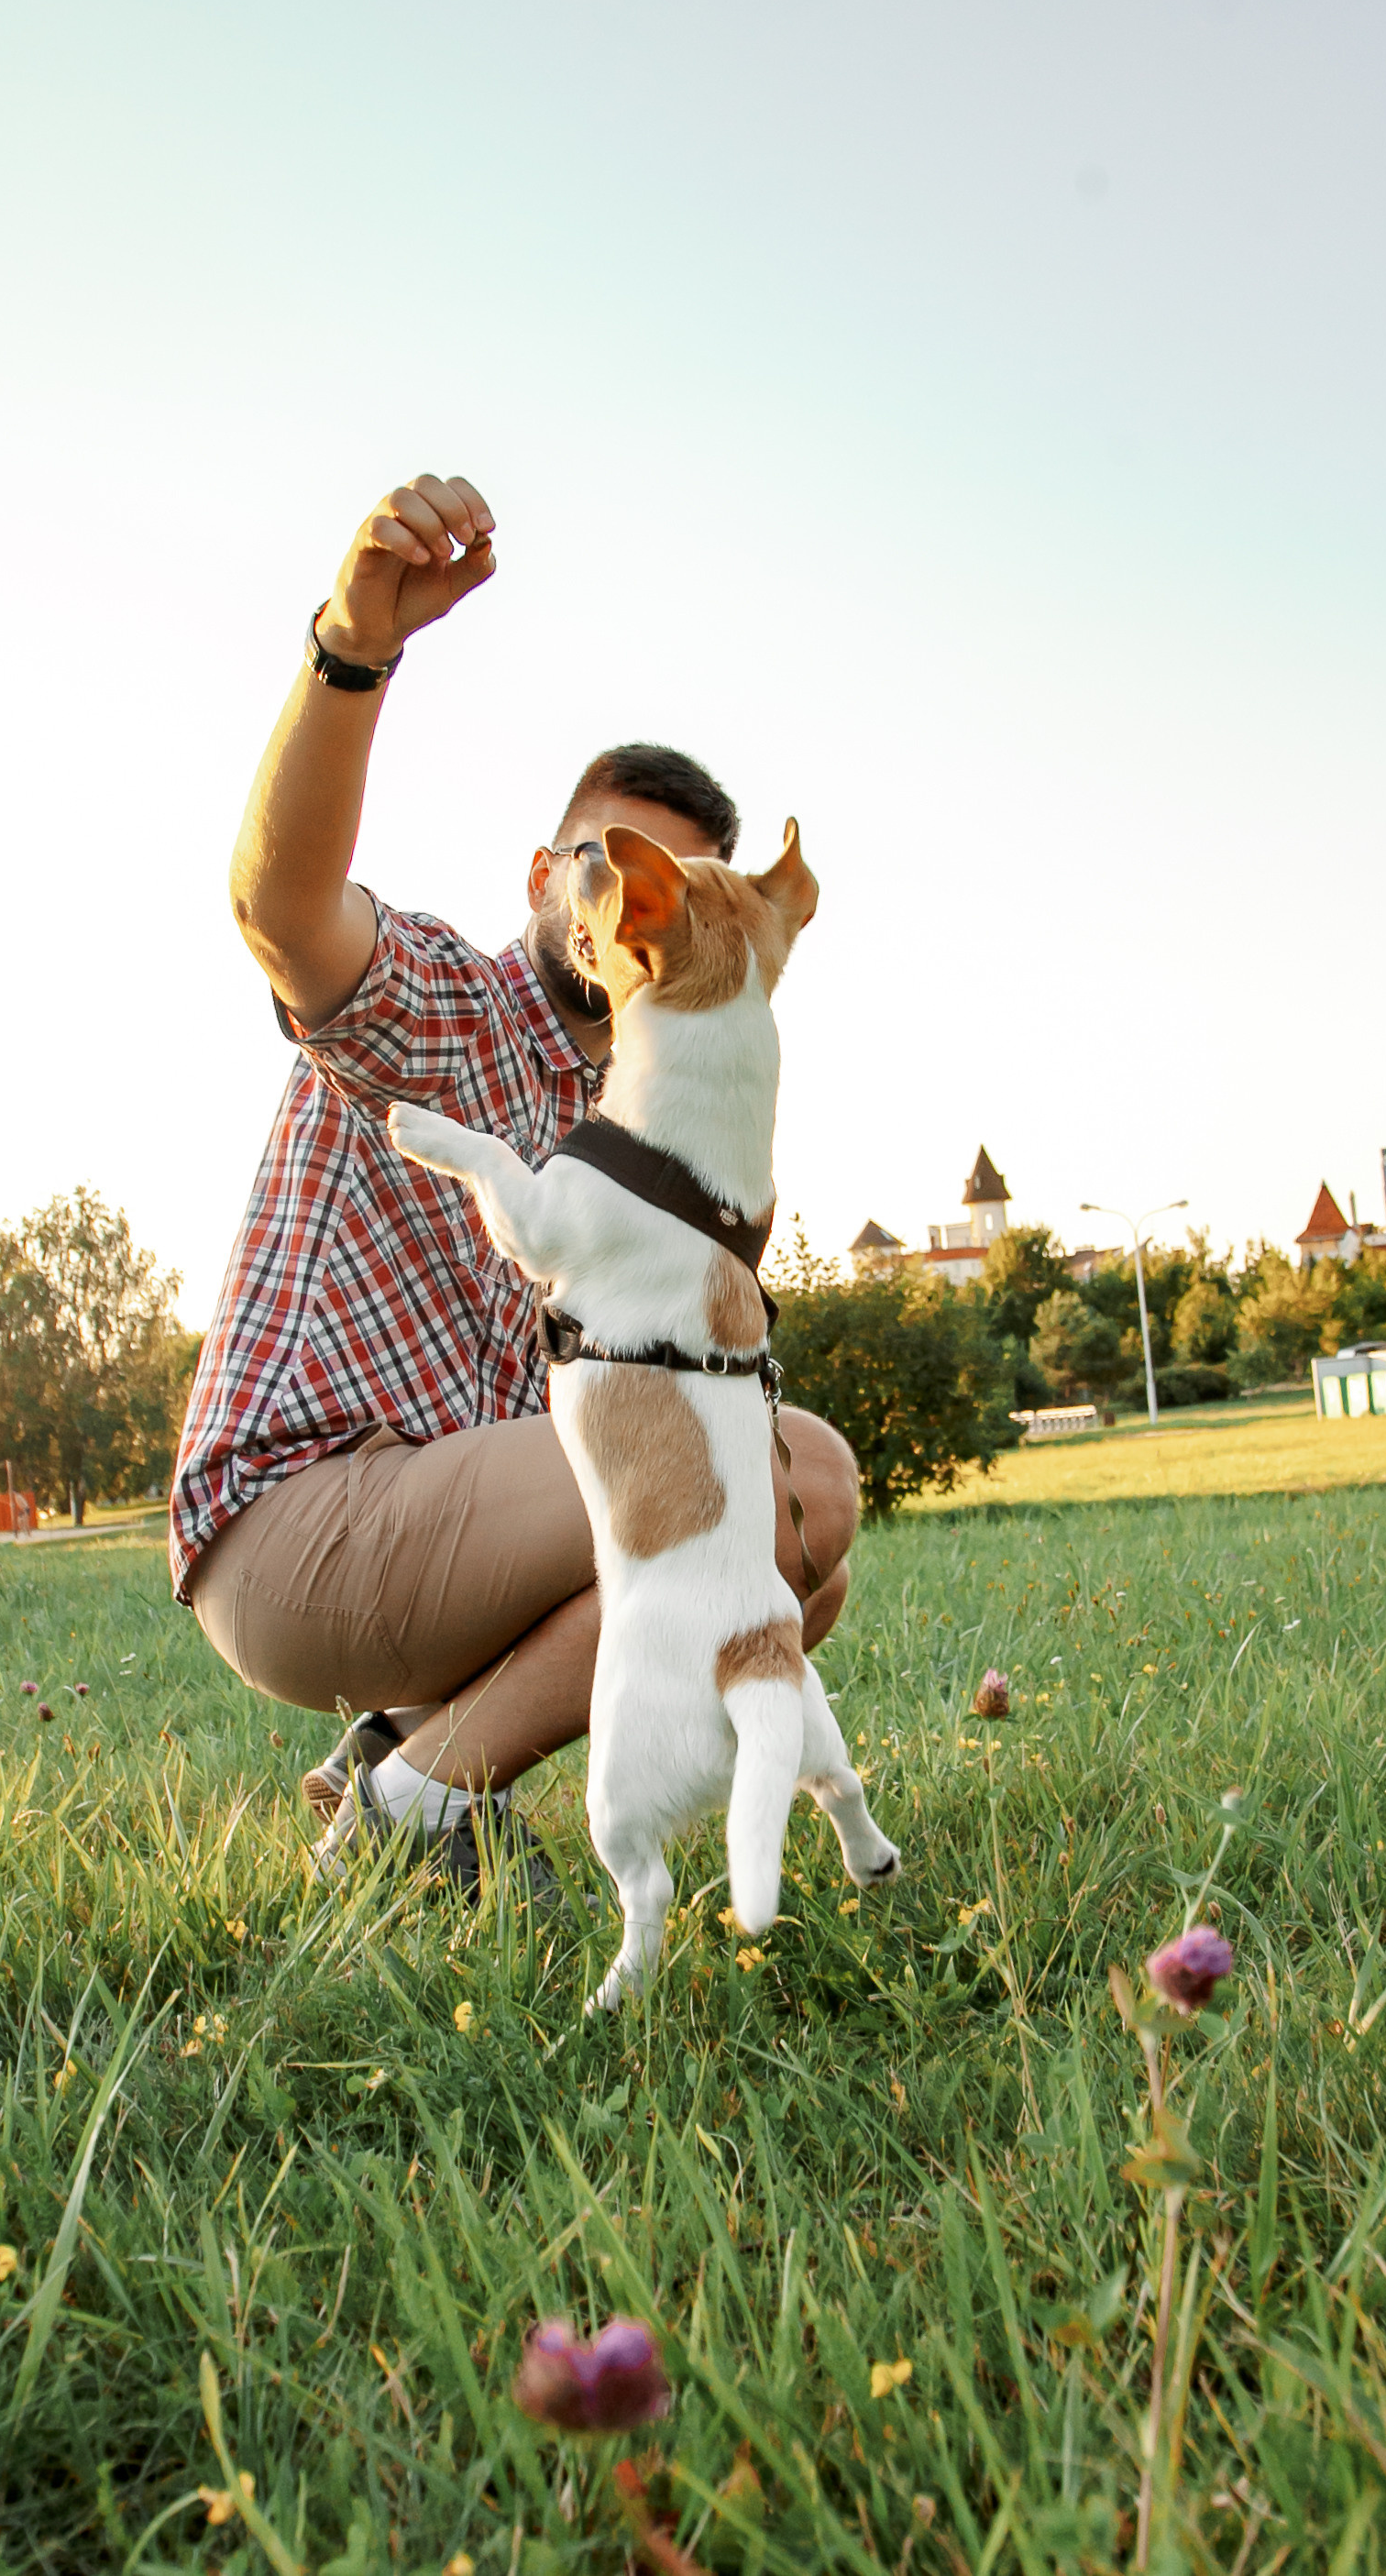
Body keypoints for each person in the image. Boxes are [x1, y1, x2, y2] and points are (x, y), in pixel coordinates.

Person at [171, 473, 859, 1888]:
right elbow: (279, 906)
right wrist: (353, 647)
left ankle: (411, 1783)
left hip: (450, 1550)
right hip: (297, 1525)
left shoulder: (660, 1126)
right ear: (546, 875)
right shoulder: (443, 1008)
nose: (637, 896)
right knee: (791, 1483)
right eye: (612, 861)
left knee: (795, 1548)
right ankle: (421, 1801)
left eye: (681, 883)